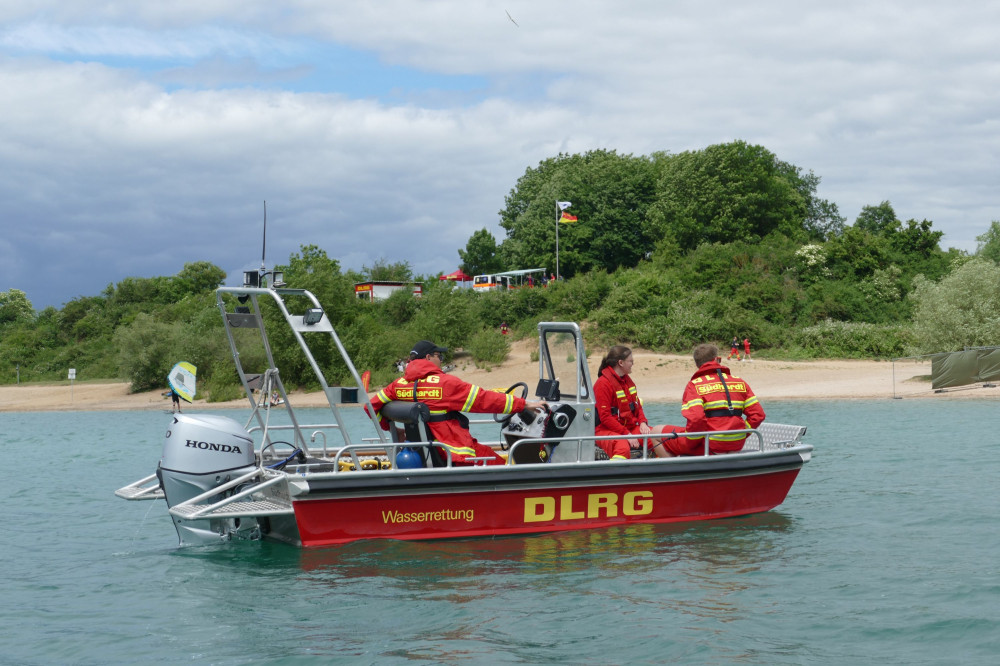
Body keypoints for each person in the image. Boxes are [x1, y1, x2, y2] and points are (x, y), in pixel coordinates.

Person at [368, 340, 547, 466]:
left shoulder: (397, 385)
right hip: (455, 451)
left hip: (425, 452)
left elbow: (370, 407)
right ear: (429, 357)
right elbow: (484, 400)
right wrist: (523, 405)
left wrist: (394, 430)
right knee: (501, 465)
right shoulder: (446, 384)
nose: (441, 360)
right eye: (439, 356)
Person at [661, 343, 765, 456]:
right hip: (737, 445)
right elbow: (758, 415)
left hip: (710, 446)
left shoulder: (694, 385)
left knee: (656, 432)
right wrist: (742, 433)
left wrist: (691, 443)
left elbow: (696, 420)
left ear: (697, 364)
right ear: (716, 359)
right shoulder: (739, 381)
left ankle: (677, 472)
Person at [593, 345, 682, 460]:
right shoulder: (603, 384)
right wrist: (627, 434)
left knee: (657, 438)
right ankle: (619, 475)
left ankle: (665, 469)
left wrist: (643, 423)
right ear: (621, 362)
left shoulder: (627, 381)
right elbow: (605, 417)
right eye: (630, 361)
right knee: (622, 446)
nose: (633, 364)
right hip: (606, 430)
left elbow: (637, 407)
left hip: (628, 428)